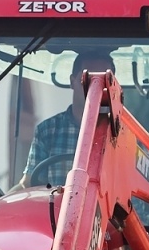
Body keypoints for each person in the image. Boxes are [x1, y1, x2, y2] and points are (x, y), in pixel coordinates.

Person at [22, 49, 116, 187]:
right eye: (87, 80)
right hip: (56, 208)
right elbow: (30, 185)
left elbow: (132, 196)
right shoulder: (47, 131)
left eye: (103, 82)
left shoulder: (123, 135)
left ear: (112, 87)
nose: (95, 88)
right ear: (72, 82)